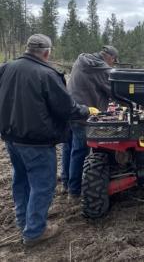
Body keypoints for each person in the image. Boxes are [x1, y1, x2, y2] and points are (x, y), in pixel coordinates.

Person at [0, 34, 99, 246]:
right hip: (37, 141)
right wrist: (86, 110)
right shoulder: (47, 74)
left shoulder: (6, 68)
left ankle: (23, 221)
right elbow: (67, 108)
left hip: (11, 138)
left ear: (28, 48)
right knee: (42, 184)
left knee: (21, 180)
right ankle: (35, 231)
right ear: (47, 52)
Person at [61, 45, 119, 203]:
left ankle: (66, 183)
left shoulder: (81, 59)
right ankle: (74, 191)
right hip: (84, 115)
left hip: (70, 109)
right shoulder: (101, 69)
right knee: (80, 152)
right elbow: (114, 91)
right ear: (110, 57)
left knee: (69, 148)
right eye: (114, 61)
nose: (112, 65)